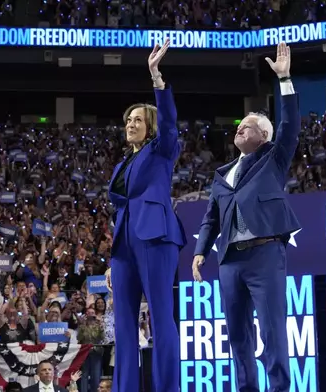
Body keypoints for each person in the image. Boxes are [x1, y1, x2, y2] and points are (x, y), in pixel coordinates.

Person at [192, 42, 301, 392]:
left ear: (264, 137)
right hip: (229, 262)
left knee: (272, 332)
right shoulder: (222, 174)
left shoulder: (274, 158)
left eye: (248, 126)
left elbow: (291, 126)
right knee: (237, 336)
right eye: (239, 125)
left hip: (265, 254)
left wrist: (284, 80)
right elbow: (210, 217)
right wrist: (200, 252)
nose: (240, 128)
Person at [108, 37, 186, 392]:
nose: (130, 124)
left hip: (156, 235)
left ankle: (167, 387)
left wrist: (156, 78)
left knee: (160, 315)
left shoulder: (162, 149)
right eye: (128, 120)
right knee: (124, 323)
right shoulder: (124, 162)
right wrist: (112, 258)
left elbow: (169, 122)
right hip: (124, 242)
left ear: (150, 125)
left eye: (137, 120)